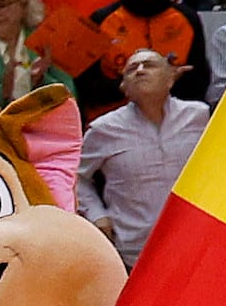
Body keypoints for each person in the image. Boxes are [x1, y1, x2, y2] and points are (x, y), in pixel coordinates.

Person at [75, 47, 211, 254]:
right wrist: (96, 214)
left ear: (170, 79)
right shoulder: (104, 129)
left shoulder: (201, 116)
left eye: (149, 65)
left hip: (198, 242)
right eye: (131, 69)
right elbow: (76, 176)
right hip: (134, 249)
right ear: (124, 88)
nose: (139, 71)